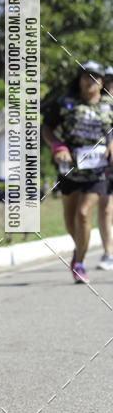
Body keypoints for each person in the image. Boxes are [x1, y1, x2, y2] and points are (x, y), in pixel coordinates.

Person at [42, 61, 113, 283]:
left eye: (94, 77)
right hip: (70, 167)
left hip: (97, 170)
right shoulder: (66, 102)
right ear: (79, 80)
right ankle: (79, 248)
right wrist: (57, 146)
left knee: (83, 214)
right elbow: (47, 127)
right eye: (85, 76)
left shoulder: (109, 104)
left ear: (101, 81)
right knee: (70, 218)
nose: (89, 81)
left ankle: (79, 263)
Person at [97, 65, 113, 269]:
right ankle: (108, 253)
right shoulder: (98, 106)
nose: (110, 85)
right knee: (105, 207)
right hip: (104, 164)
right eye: (108, 81)